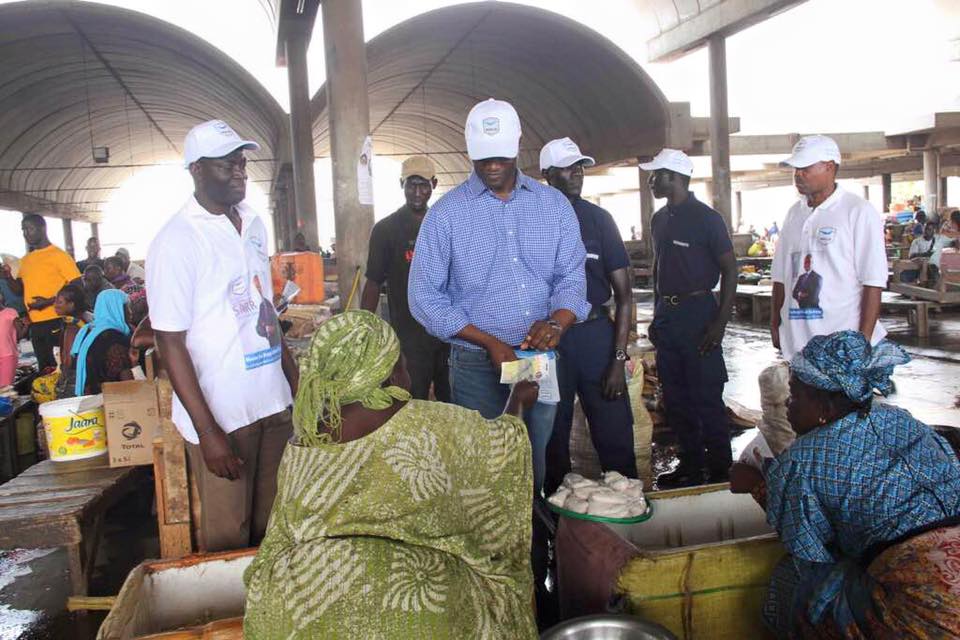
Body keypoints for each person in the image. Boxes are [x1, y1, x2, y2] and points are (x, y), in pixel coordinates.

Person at [243, 310, 539, 640]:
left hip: (302, 606)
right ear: (394, 376)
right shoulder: (436, 425)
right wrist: (518, 402)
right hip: (422, 612)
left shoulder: (304, 441)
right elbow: (503, 449)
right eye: (402, 362)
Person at [409, 98, 590, 497]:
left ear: (517, 148)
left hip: (533, 358)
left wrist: (557, 321)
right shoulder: (447, 215)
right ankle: (491, 554)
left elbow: (571, 275)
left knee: (531, 460)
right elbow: (424, 297)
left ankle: (532, 550)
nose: (491, 166)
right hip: (476, 363)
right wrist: (488, 341)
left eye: (501, 158)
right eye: (482, 158)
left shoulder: (553, 206)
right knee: (485, 469)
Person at [729, 331, 960, 638]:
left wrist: (758, 485)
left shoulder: (802, 460)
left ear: (825, 407)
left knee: (794, 581)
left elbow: (811, 549)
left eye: (795, 395)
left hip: (930, 607)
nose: (787, 405)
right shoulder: (901, 419)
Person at [147, 119, 298, 552]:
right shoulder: (177, 240)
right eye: (225, 166)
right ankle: (234, 620)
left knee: (273, 530)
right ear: (196, 170)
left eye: (242, 164)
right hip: (224, 416)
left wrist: (295, 380)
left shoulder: (252, 224)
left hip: (273, 404)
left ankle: (269, 616)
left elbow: (264, 308)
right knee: (228, 537)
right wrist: (208, 431)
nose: (239, 173)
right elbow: (169, 343)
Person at [765, 135, 888, 456]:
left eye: (806, 168)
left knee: (846, 429)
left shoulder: (857, 212)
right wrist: (775, 321)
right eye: (795, 169)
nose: (798, 175)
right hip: (800, 345)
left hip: (840, 346)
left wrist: (861, 341)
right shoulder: (794, 214)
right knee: (805, 425)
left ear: (830, 167)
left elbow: (873, 282)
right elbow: (780, 276)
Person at [538, 137, 635, 495]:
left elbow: (624, 297)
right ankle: (557, 529)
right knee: (550, 436)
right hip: (550, 341)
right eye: (567, 167)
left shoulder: (599, 220)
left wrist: (618, 359)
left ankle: (627, 513)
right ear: (547, 175)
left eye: (580, 166)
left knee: (615, 437)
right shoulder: (531, 222)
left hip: (595, 336)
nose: (577, 173)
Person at [645, 149, 737, 488]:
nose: (651, 181)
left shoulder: (706, 218)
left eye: (656, 175)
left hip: (699, 313)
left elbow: (730, 270)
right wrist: (657, 315)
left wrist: (719, 323)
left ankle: (721, 468)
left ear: (674, 177)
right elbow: (659, 271)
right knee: (677, 396)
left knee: (706, 396)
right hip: (668, 317)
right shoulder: (659, 220)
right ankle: (691, 464)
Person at [361, 155, 450, 402]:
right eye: (411, 184)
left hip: (448, 333)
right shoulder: (386, 229)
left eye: (424, 185)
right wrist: (365, 328)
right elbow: (373, 282)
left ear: (434, 183)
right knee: (412, 402)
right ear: (402, 184)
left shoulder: (445, 224)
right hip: (409, 337)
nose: (417, 192)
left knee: (451, 403)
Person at [2, 214, 82, 371]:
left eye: (29, 229)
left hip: (56, 320)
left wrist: (49, 301)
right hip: (36, 324)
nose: (26, 233)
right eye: (23, 230)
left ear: (42, 228)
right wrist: (8, 278)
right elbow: (19, 291)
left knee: (60, 367)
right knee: (44, 369)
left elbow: (77, 286)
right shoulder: (25, 260)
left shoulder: (59, 255)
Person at [68, 289, 134, 396]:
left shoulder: (86, 330)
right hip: (108, 398)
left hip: (84, 394)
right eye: (127, 307)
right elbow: (127, 381)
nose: (131, 312)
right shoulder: (114, 337)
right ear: (116, 309)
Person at [0, 294, 25, 387]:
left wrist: (26, 325)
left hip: (7, 355)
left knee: (5, 388)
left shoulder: (10, 312)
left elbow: (19, 335)